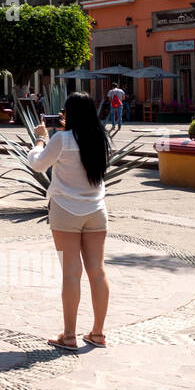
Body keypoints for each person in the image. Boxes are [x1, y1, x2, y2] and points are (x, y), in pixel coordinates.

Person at [26, 92, 112, 353]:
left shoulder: (61, 139)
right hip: (96, 210)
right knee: (97, 271)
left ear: (68, 113)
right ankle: (98, 333)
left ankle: (69, 335)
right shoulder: (99, 138)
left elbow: (38, 165)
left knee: (71, 272)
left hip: (65, 210)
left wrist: (40, 140)